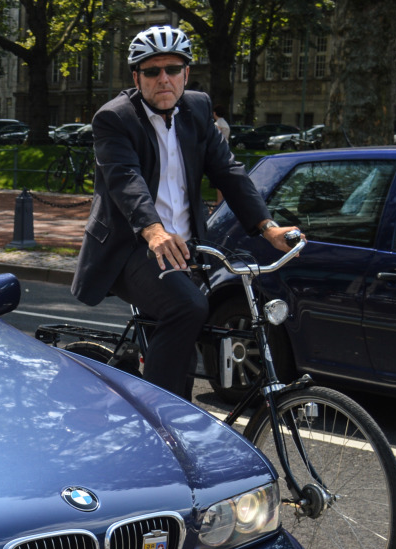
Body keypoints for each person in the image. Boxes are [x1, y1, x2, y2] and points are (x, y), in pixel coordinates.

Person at [70, 25, 300, 399]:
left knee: (190, 334)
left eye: (173, 69)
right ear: (136, 77)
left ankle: (178, 414)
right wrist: (153, 230)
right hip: (132, 247)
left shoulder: (197, 108)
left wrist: (267, 226)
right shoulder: (114, 119)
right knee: (188, 308)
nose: (164, 79)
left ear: (186, 74)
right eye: (152, 71)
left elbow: (228, 170)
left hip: (187, 248)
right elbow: (125, 180)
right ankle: (158, 414)